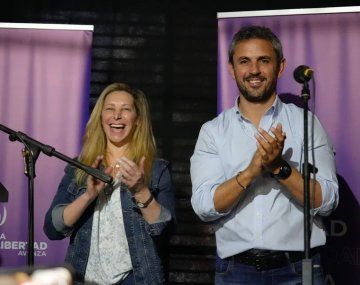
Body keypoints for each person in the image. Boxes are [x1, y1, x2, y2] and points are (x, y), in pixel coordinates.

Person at [190, 25, 339, 284]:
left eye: (264, 61)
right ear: (231, 68)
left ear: (280, 67)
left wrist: (280, 168)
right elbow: (204, 206)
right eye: (244, 61)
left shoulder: (306, 123)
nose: (254, 71)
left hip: (297, 269)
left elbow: (328, 201)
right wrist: (251, 172)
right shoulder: (213, 131)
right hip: (235, 272)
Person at [44, 83, 176, 285]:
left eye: (125, 109)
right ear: (100, 118)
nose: (117, 116)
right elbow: (52, 229)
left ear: (138, 120)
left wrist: (141, 191)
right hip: (83, 278)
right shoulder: (79, 167)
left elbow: (166, 233)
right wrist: (88, 196)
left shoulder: (156, 170)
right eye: (110, 109)